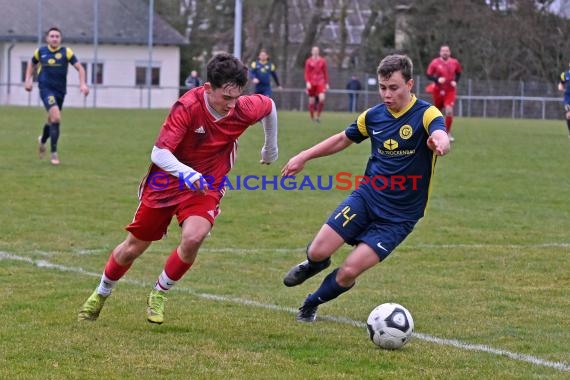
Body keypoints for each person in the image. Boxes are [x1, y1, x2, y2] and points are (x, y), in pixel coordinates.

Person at [78, 53, 279, 324]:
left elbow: (268, 106)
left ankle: (159, 292)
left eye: (236, 98)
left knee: (194, 237)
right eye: (226, 98)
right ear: (208, 89)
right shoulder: (187, 107)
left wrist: (270, 147)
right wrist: (186, 173)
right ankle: (101, 293)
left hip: (206, 184)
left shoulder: (241, 107)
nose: (232, 106)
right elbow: (159, 153)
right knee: (133, 248)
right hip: (166, 183)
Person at [281, 54, 450, 323]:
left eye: (393, 88)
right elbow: (341, 140)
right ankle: (316, 264)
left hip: (399, 217)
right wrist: (304, 156)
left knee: (349, 271)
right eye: (382, 88)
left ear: (409, 84)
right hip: (367, 198)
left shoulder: (426, 113)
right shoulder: (373, 116)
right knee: (317, 251)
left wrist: (440, 143)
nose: (386, 94)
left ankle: (311, 303)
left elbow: (439, 132)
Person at [24, 27, 89, 165]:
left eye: (57, 36)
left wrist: (82, 84)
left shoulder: (67, 52)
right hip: (46, 89)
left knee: (52, 120)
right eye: (52, 36)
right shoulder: (41, 51)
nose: (54, 38)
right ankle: (54, 154)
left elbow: (80, 68)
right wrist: (28, 80)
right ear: (47, 38)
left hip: (60, 91)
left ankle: (42, 141)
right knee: (56, 117)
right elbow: (32, 63)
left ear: (60, 39)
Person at [426, 44, 462, 141]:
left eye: (446, 51)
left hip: (450, 90)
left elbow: (459, 73)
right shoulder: (435, 62)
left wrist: (456, 81)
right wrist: (437, 79)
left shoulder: (455, 62)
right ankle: (434, 132)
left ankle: (448, 133)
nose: (445, 52)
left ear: (449, 52)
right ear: (440, 52)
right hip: (438, 91)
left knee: (449, 110)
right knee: (437, 112)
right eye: (443, 51)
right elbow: (428, 74)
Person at [304, 46, 329, 123]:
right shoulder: (308, 61)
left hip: (320, 82)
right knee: (312, 101)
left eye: (316, 50)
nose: (315, 51)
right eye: (314, 50)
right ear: (312, 51)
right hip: (311, 82)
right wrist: (307, 82)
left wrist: (327, 83)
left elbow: (325, 72)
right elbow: (306, 72)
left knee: (322, 99)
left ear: (318, 51)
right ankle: (312, 117)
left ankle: (318, 116)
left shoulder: (322, 61)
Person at [557, 63, 570, 137]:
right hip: (568, 98)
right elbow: (561, 84)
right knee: (568, 115)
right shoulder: (565, 75)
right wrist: (560, 87)